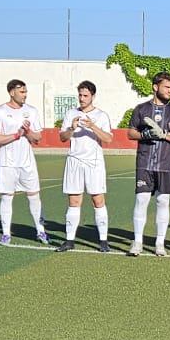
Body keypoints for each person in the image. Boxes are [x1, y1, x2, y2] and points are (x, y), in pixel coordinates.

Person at [126, 71, 170, 256]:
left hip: (166, 163)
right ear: (155, 87)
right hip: (145, 162)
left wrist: (164, 135)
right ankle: (137, 242)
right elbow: (130, 133)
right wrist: (144, 134)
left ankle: (160, 243)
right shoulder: (141, 109)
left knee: (162, 201)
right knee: (141, 199)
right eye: (167, 87)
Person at [0, 78, 47, 247]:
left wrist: (28, 131)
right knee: (7, 196)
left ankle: (41, 230)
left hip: (27, 161)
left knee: (34, 195)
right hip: (7, 162)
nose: (25, 95)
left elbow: (37, 138)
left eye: (26, 92)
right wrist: (15, 135)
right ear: (12, 92)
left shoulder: (32, 111)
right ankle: (6, 234)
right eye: (22, 92)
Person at [59, 80, 114, 252]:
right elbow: (63, 137)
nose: (82, 99)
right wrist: (72, 128)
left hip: (94, 162)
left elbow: (108, 139)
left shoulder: (101, 115)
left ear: (93, 96)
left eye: (85, 96)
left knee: (97, 199)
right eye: (80, 95)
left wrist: (92, 126)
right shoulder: (71, 114)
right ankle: (69, 240)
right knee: (74, 200)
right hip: (74, 161)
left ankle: (103, 241)